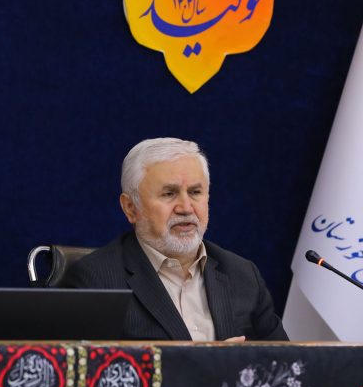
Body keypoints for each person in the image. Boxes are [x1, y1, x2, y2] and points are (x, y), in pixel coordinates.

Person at [63, 138, 287, 341]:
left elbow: (289, 364)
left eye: (195, 192)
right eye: (169, 194)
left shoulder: (243, 275)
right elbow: (85, 370)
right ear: (130, 207)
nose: (186, 208)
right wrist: (217, 364)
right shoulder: (95, 281)